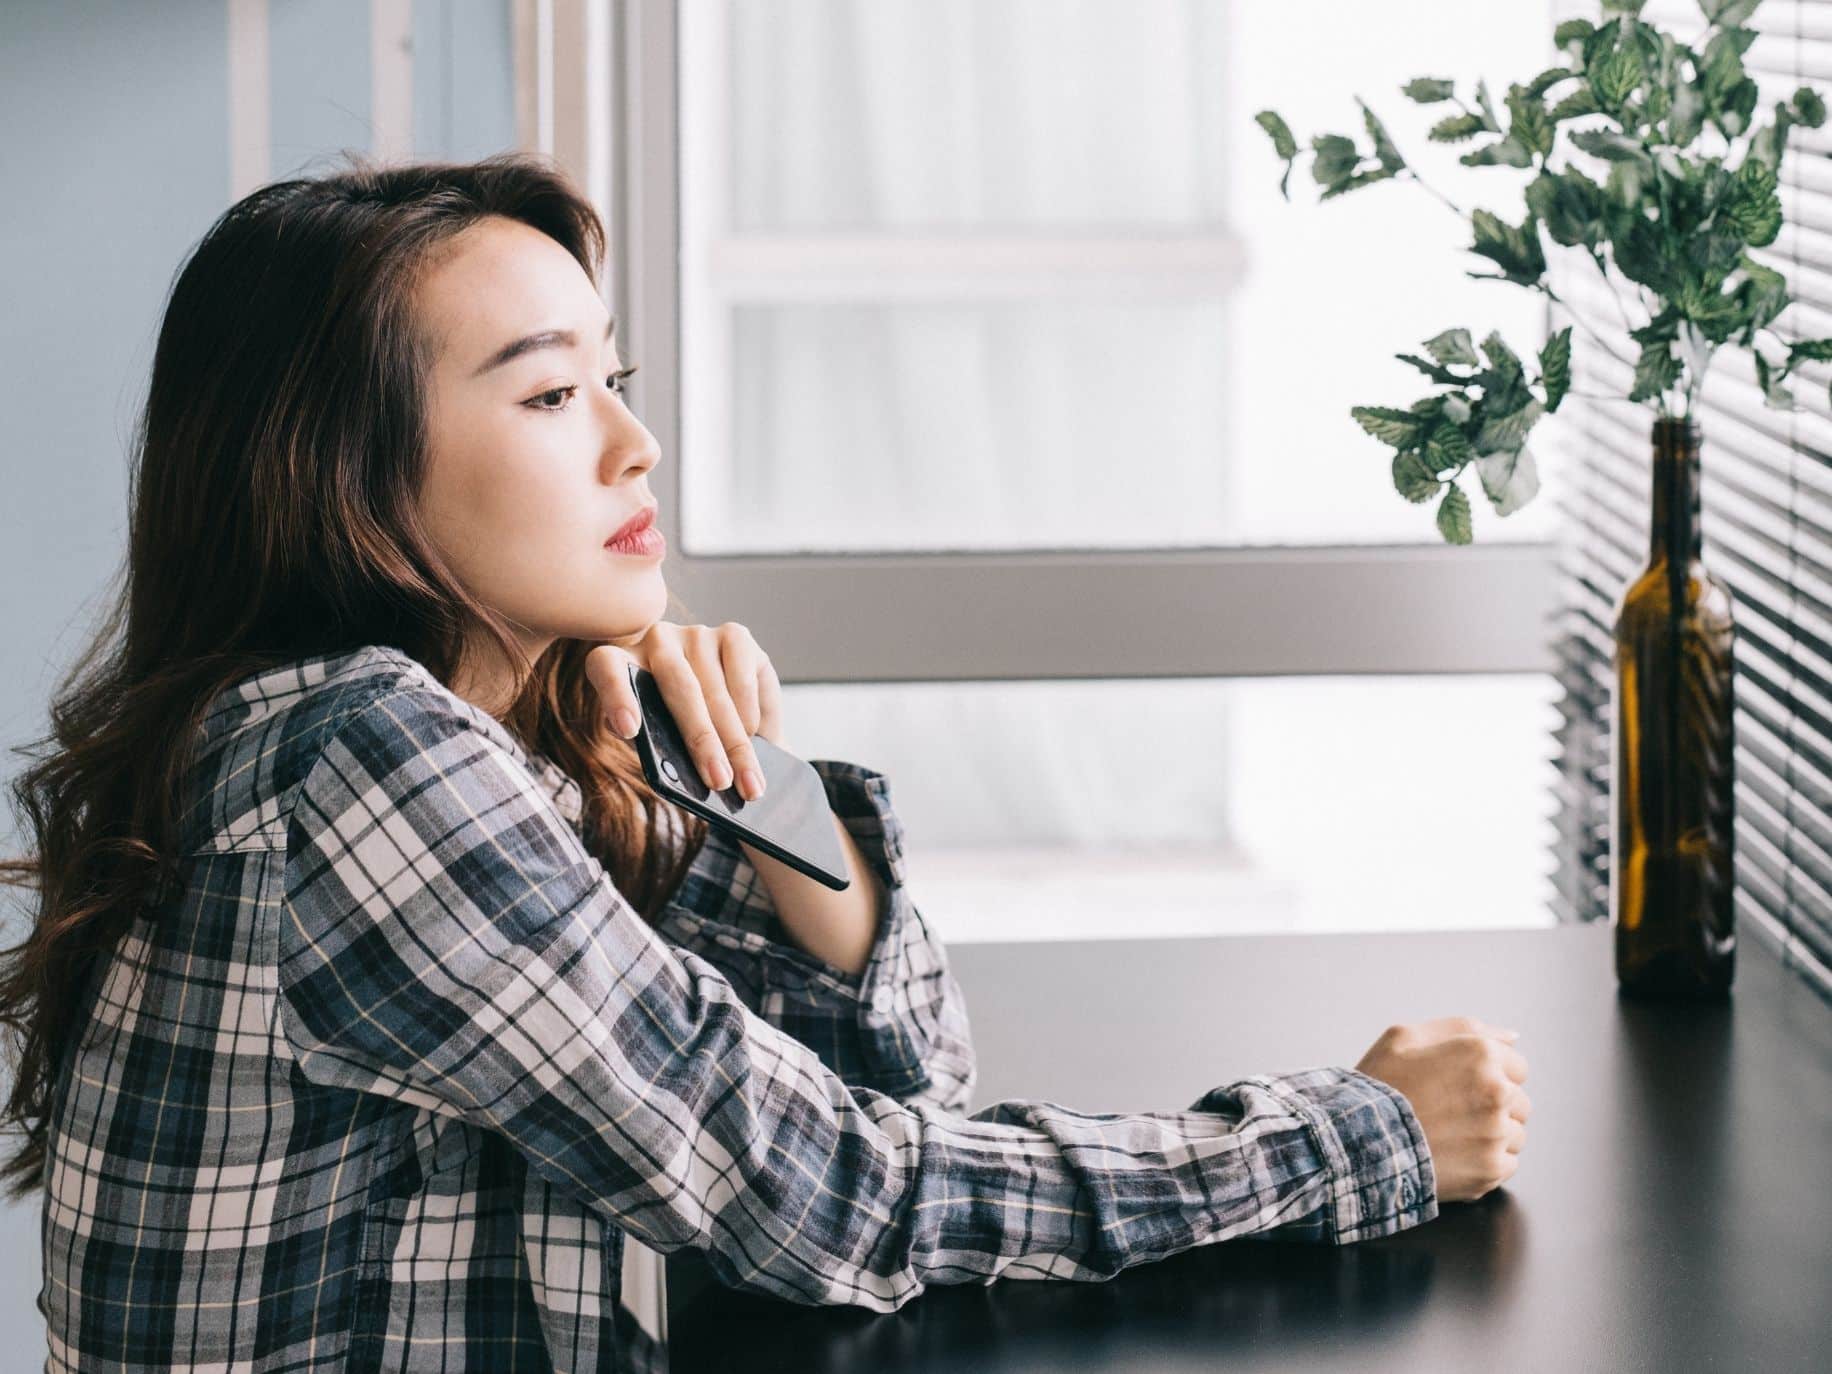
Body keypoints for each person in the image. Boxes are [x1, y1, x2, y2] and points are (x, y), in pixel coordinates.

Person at [0, 153, 1530, 1374]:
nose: (631, 445)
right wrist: (1349, 1138)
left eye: (619, 380)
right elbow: (834, 1197)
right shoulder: (362, 766)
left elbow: (905, 1087)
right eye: (548, 396)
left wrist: (766, 789)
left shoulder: (465, 746)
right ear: (345, 479)